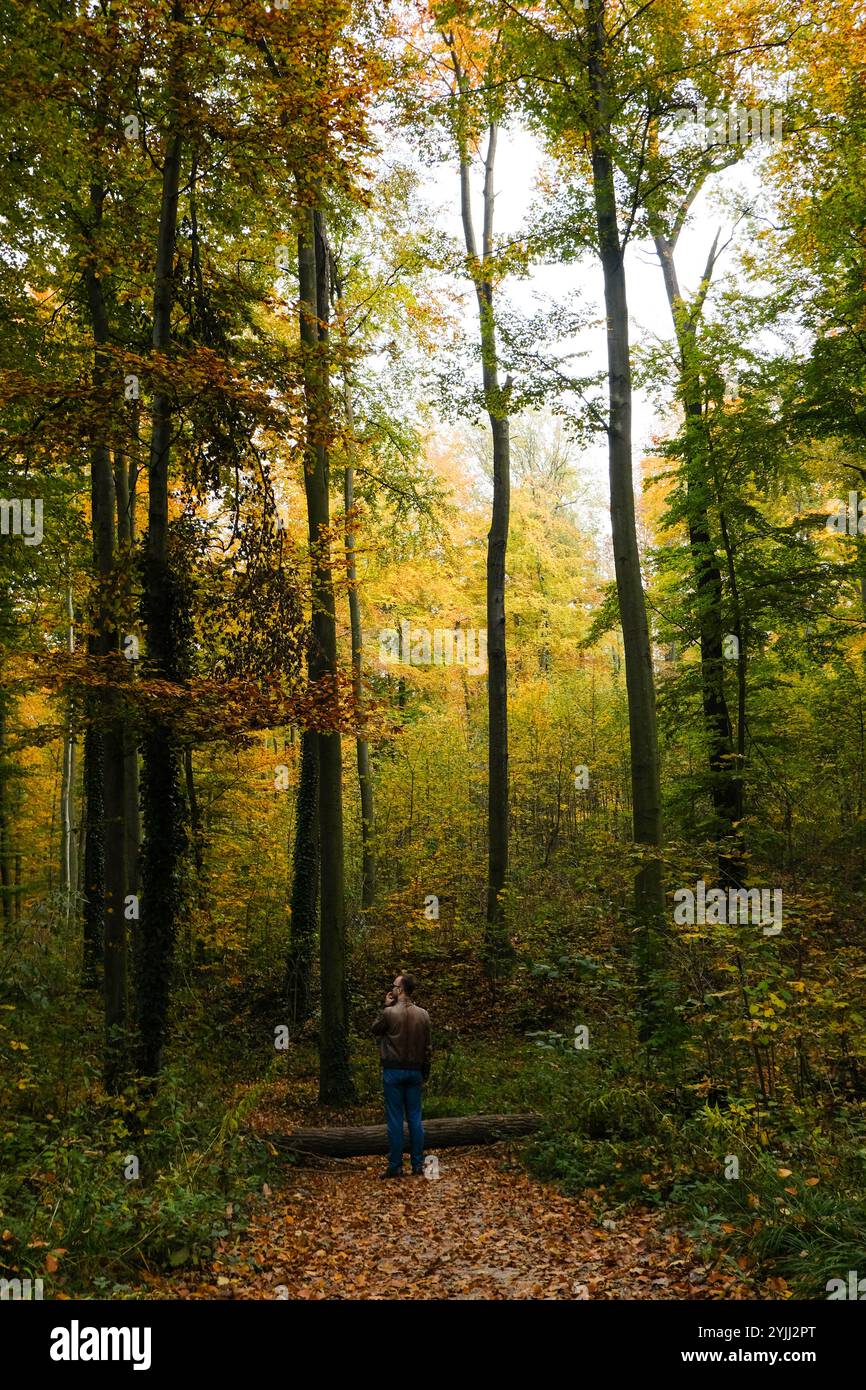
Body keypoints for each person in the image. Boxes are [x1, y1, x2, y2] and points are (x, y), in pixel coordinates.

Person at [371, 973, 432, 1179]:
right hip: (415, 1072)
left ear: (402, 989)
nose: (392, 989)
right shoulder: (423, 1015)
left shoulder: (389, 1013)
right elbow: (427, 1048)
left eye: (395, 986)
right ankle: (417, 1165)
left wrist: (385, 1006)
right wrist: (425, 1072)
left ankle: (395, 1166)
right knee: (415, 1119)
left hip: (393, 1071)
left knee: (395, 1120)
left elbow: (375, 1029)